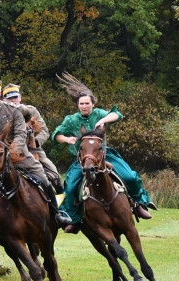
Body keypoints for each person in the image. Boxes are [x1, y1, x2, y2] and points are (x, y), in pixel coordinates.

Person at [0, 78, 73, 244]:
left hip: (19, 155)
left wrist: (12, 153)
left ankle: (57, 215)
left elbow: (20, 134)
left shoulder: (13, 110)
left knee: (44, 177)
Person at [52, 80, 155, 233]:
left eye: (87, 103)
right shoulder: (71, 120)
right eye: (81, 104)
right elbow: (56, 135)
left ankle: (138, 204)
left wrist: (103, 120)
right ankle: (74, 219)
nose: (84, 106)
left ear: (92, 104)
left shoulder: (99, 113)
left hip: (106, 156)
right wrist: (67, 139)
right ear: (78, 105)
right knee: (71, 187)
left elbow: (117, 114)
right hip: (82, 160)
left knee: (130, 177)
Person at [1, 83, 62, 191]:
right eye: (9, 98)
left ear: (20, 98)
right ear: (4, 100)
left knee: (55, 174)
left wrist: (36, 142)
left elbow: (44, 130)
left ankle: (59, 202)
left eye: (15, 97)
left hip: (32, 148)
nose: (13, 100)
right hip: (7, 150)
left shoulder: (31, 110)